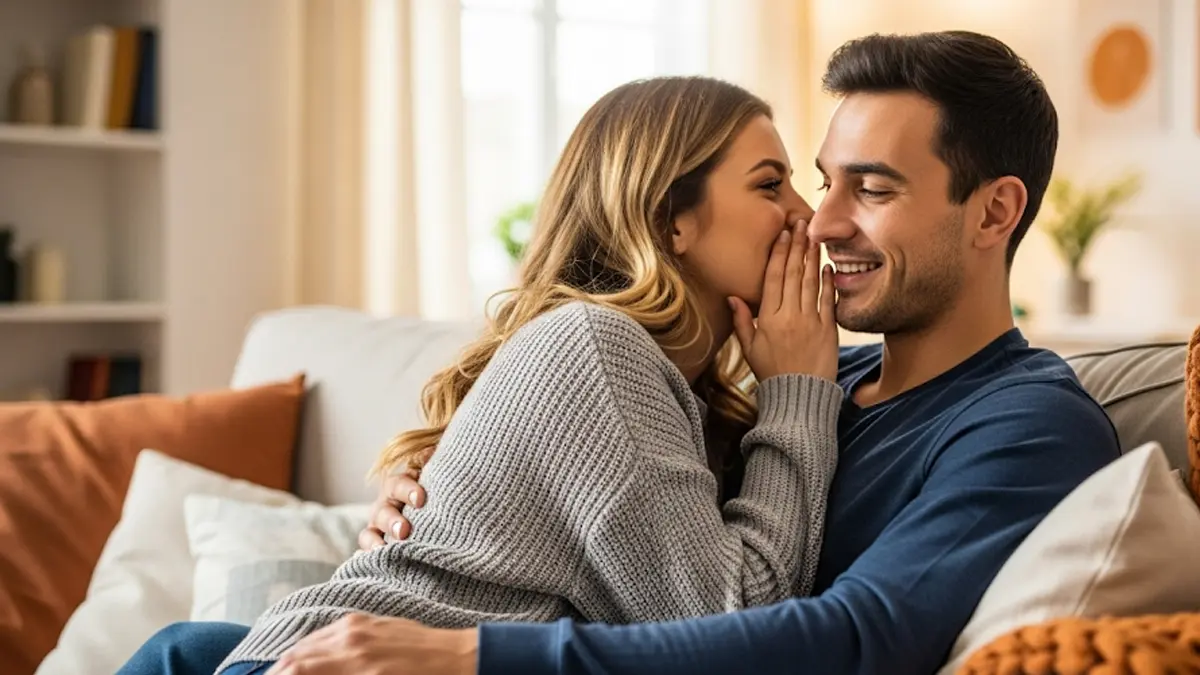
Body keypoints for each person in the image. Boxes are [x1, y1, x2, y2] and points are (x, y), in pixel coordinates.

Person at [255, 30, 1122, 675]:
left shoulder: (1026, 424)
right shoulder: (799, 379)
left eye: (873, 189)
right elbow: (614, 524)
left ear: (994, 212)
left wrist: (472, 655)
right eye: (823, 182)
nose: (820, 222)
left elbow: (859, 639)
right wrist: (437, 498)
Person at [118, 77, 845, 675]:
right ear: (669, 219)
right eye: (770, 185)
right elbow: (732, 627)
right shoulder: (598, 349)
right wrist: (798, 393)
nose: (807, 216)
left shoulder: (671, 391)